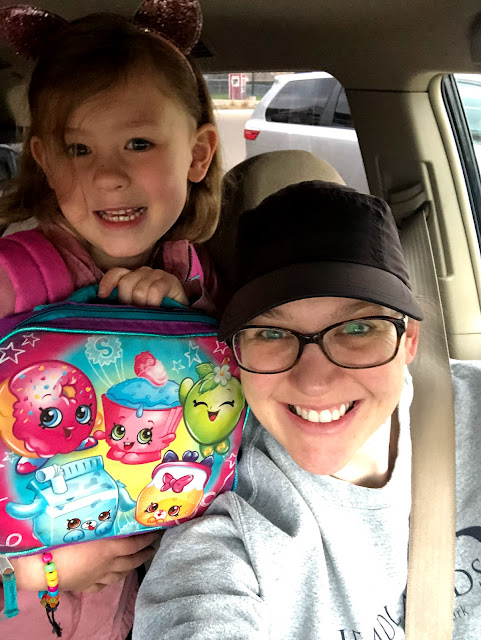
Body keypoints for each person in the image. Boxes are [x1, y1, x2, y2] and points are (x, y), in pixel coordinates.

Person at [133, 180, 481, 640]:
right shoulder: (225, 512)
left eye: (357, 328)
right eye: (272, 334)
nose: (314, 381)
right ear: (235, 353)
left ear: (409, 339)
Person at [0, 3, 221, 639]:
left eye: (139, 143)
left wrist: (184, 310)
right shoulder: (13, 280)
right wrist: (37, 571)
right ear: (45, 159)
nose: (108, 175)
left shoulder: (196, 274)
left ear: (198, 153)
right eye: (78, 148)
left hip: (137, 612)